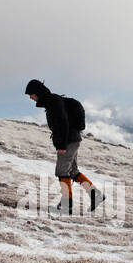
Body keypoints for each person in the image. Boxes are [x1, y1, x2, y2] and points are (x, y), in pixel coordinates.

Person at [25, 79, 102, 213]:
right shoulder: (53, 101)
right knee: (72, 171)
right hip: (73, 139)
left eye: (31, 94)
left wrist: (61, 145)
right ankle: (95, 195)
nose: (31, 97)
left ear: (37, 92)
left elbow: (62, 123)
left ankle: (67, 205)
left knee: (62, 171)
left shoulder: (53, 102)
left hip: (68, 141)